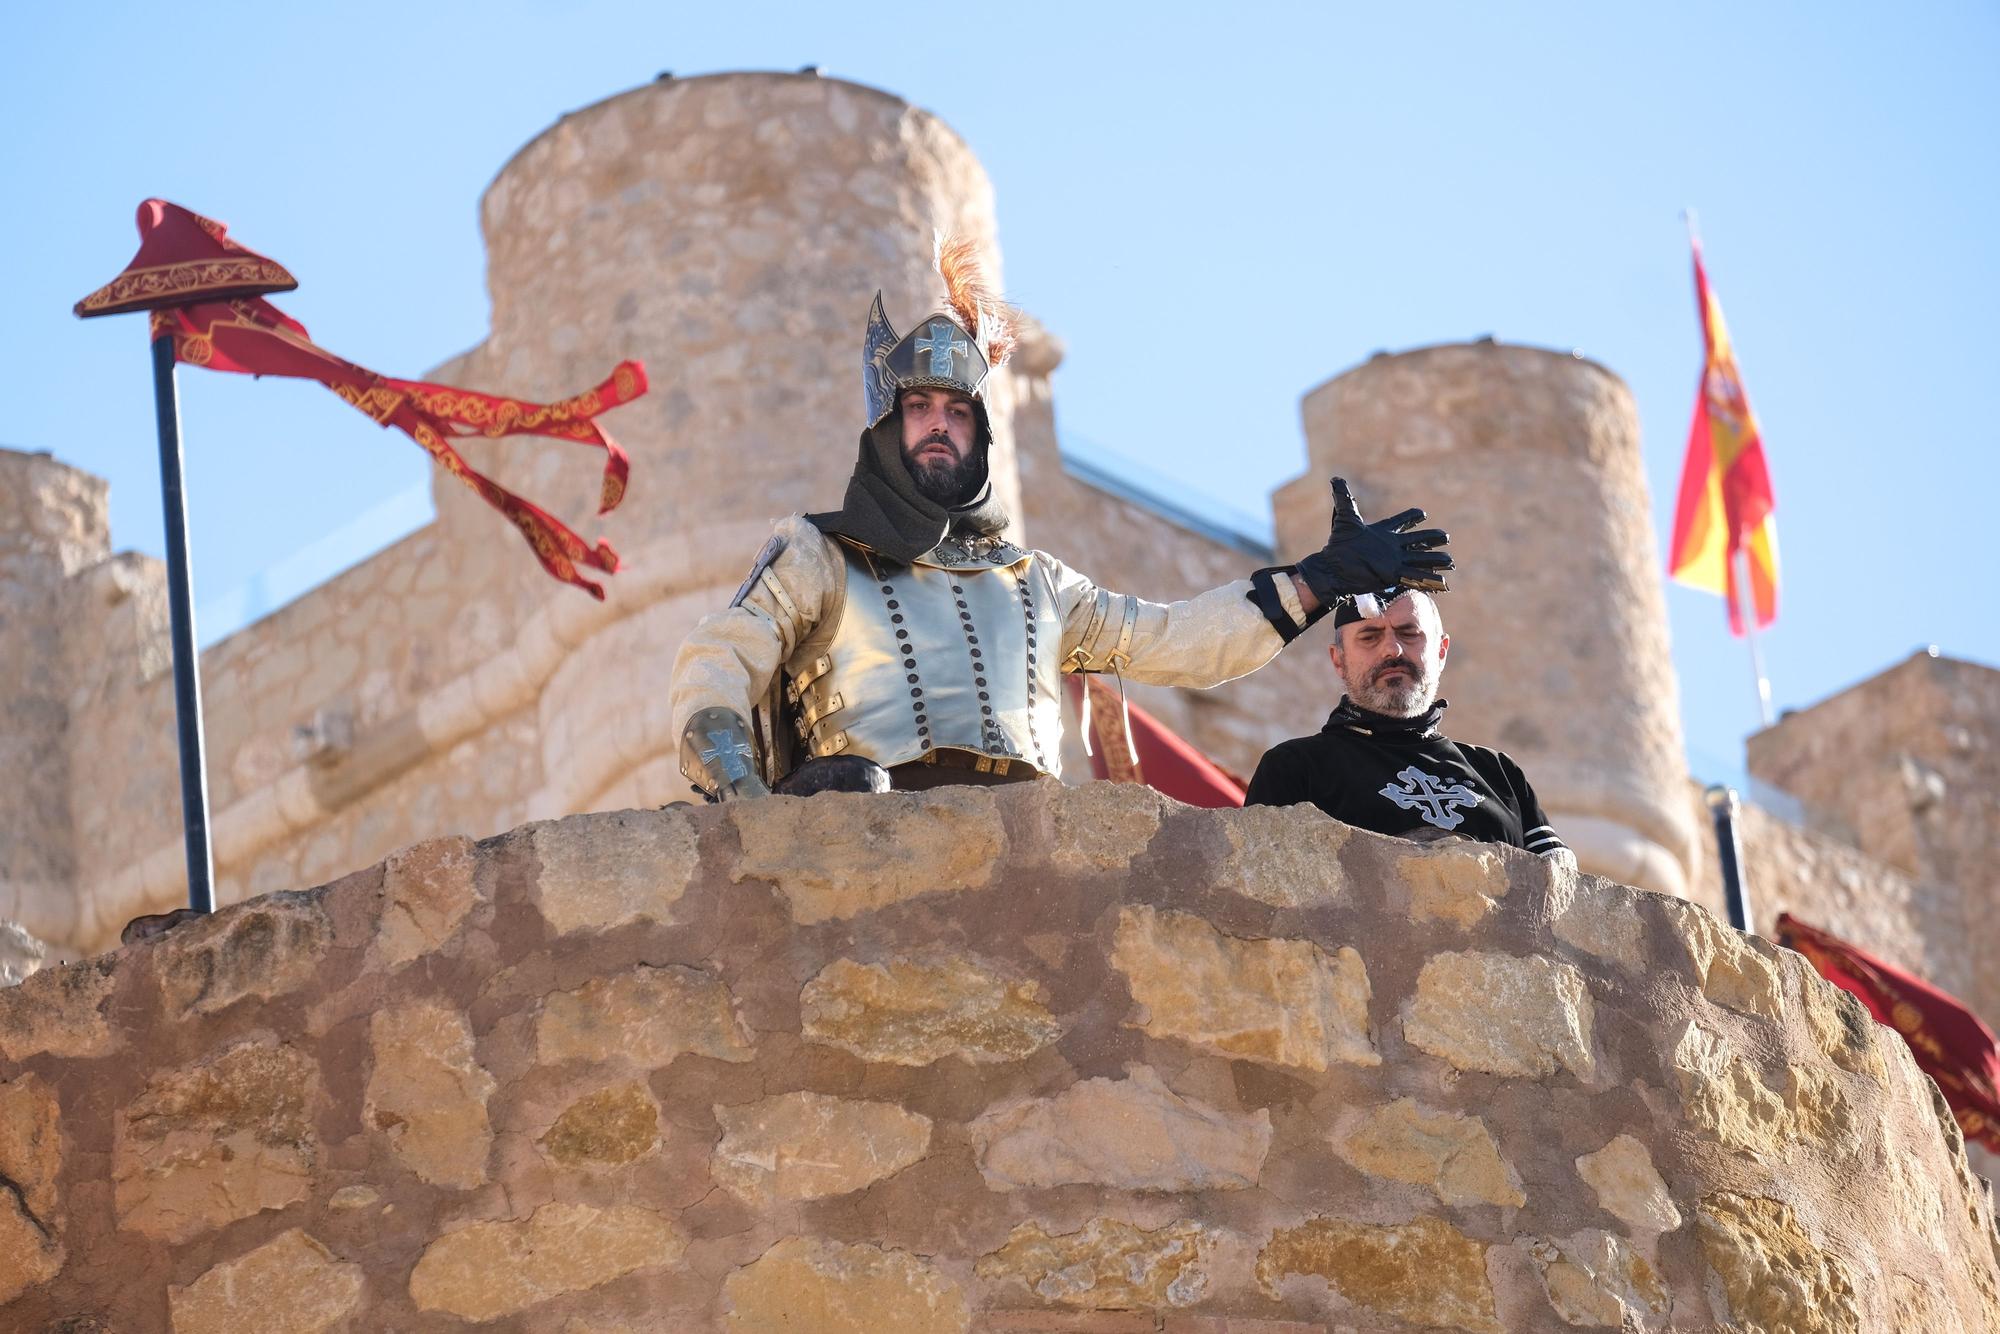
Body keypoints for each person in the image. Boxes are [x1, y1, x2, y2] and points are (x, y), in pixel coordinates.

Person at [667, 238, 1452, 799]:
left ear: (980, 434)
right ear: (886, 425)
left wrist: (1317, 581)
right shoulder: (819, 552)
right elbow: (719, 657)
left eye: (956, 410)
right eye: (918, 407)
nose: (938, 423)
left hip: (1025, 851)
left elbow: (1178, 644)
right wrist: (744, 797)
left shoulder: (1036, 583)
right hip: (859, 830)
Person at [1244, 588, 1573, 864]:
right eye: (1370, 636)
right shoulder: (1295, 768)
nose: (1392, 649)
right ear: (1338, 660)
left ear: (1441, 651)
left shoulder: (1500, 774)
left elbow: (1561, 895)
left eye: (1409, 633)